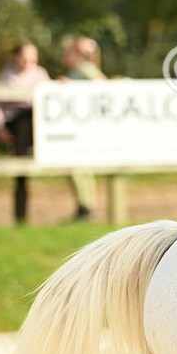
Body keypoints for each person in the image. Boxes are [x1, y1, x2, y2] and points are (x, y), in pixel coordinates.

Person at [0, 42, 50, 224]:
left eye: (33, 56)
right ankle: (21, 216)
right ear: (16, 57)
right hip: (17, 125)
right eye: (26, 56)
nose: (30, 61)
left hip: (38, 125)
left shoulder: (40, 74)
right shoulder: (6, 77)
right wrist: (0, 128)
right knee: (24, 118)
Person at [60, 36, 106, 221]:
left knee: (78, 167)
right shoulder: (77, 71)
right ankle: (85, 206)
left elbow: (101, 83)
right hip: (81, 126)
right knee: (82, 168)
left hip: (82, 128)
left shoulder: (85, 70)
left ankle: (85, 207)